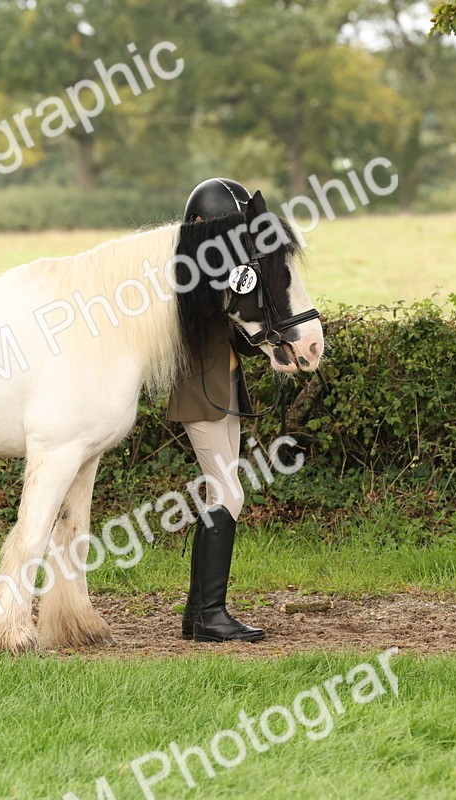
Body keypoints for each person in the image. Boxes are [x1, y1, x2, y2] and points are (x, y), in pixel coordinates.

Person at [169, 178, 266, 643]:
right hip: (199, 395)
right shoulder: (188, 272)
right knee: (229, 494)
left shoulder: (222, 266)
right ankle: (211, 614)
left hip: (225, 389)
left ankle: (198, 615)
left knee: (219, 494)